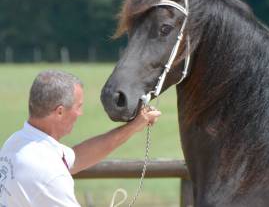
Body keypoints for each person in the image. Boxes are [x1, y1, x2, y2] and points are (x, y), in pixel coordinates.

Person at [0, 70, 161, 207]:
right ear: (60, 112)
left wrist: (132, 127)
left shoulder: (17, 142)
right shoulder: (48, 172)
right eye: (78, 106)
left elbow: (78, 157)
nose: (80, 113)